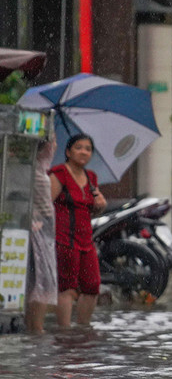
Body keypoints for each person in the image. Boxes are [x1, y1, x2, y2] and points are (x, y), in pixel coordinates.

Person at [49, 133, 106, 327]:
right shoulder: (58, 174)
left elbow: (91, 209)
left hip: (85, 240)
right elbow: (45, 205)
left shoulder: (91, 177)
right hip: (64, 238)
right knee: (67, 288)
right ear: (68, 152)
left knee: (92, 286)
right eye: (78, 147)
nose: (83, 152)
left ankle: (83, 330)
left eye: (88, 148)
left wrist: (100, 205)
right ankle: (64, 332)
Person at [25, 139, 57, 333]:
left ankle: (34, 326)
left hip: (43, 231)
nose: (55, 146)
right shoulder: (35, 172)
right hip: (38, 232)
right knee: (41, 283)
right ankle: (36, 328)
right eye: (52, 143)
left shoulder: (39, 170)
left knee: (39, 282)